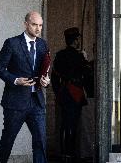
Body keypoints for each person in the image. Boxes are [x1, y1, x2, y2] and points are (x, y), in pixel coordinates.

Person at [0, 11, 50, 163]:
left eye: (40, 25)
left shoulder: (43, 44)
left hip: (36, 101)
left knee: (40, 141)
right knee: (8, 140)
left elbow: (43, 70)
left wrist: (46, 80)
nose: (38, 29)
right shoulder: (12, 43)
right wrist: (15, 80)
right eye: (34, 25)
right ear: (25, 24)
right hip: (15, 102)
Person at [51, 27, 91, 163]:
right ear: (75, 40)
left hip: (63, 93)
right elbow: (87, 73)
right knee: (72, 125)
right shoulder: (79, 56)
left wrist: (58, 92)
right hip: (74, 93)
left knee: (64, 124)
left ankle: (64, 153)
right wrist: (85, 58)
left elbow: (54, 77)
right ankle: (70, 153)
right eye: (78, 39)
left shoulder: (60, 55)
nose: (79, 41)